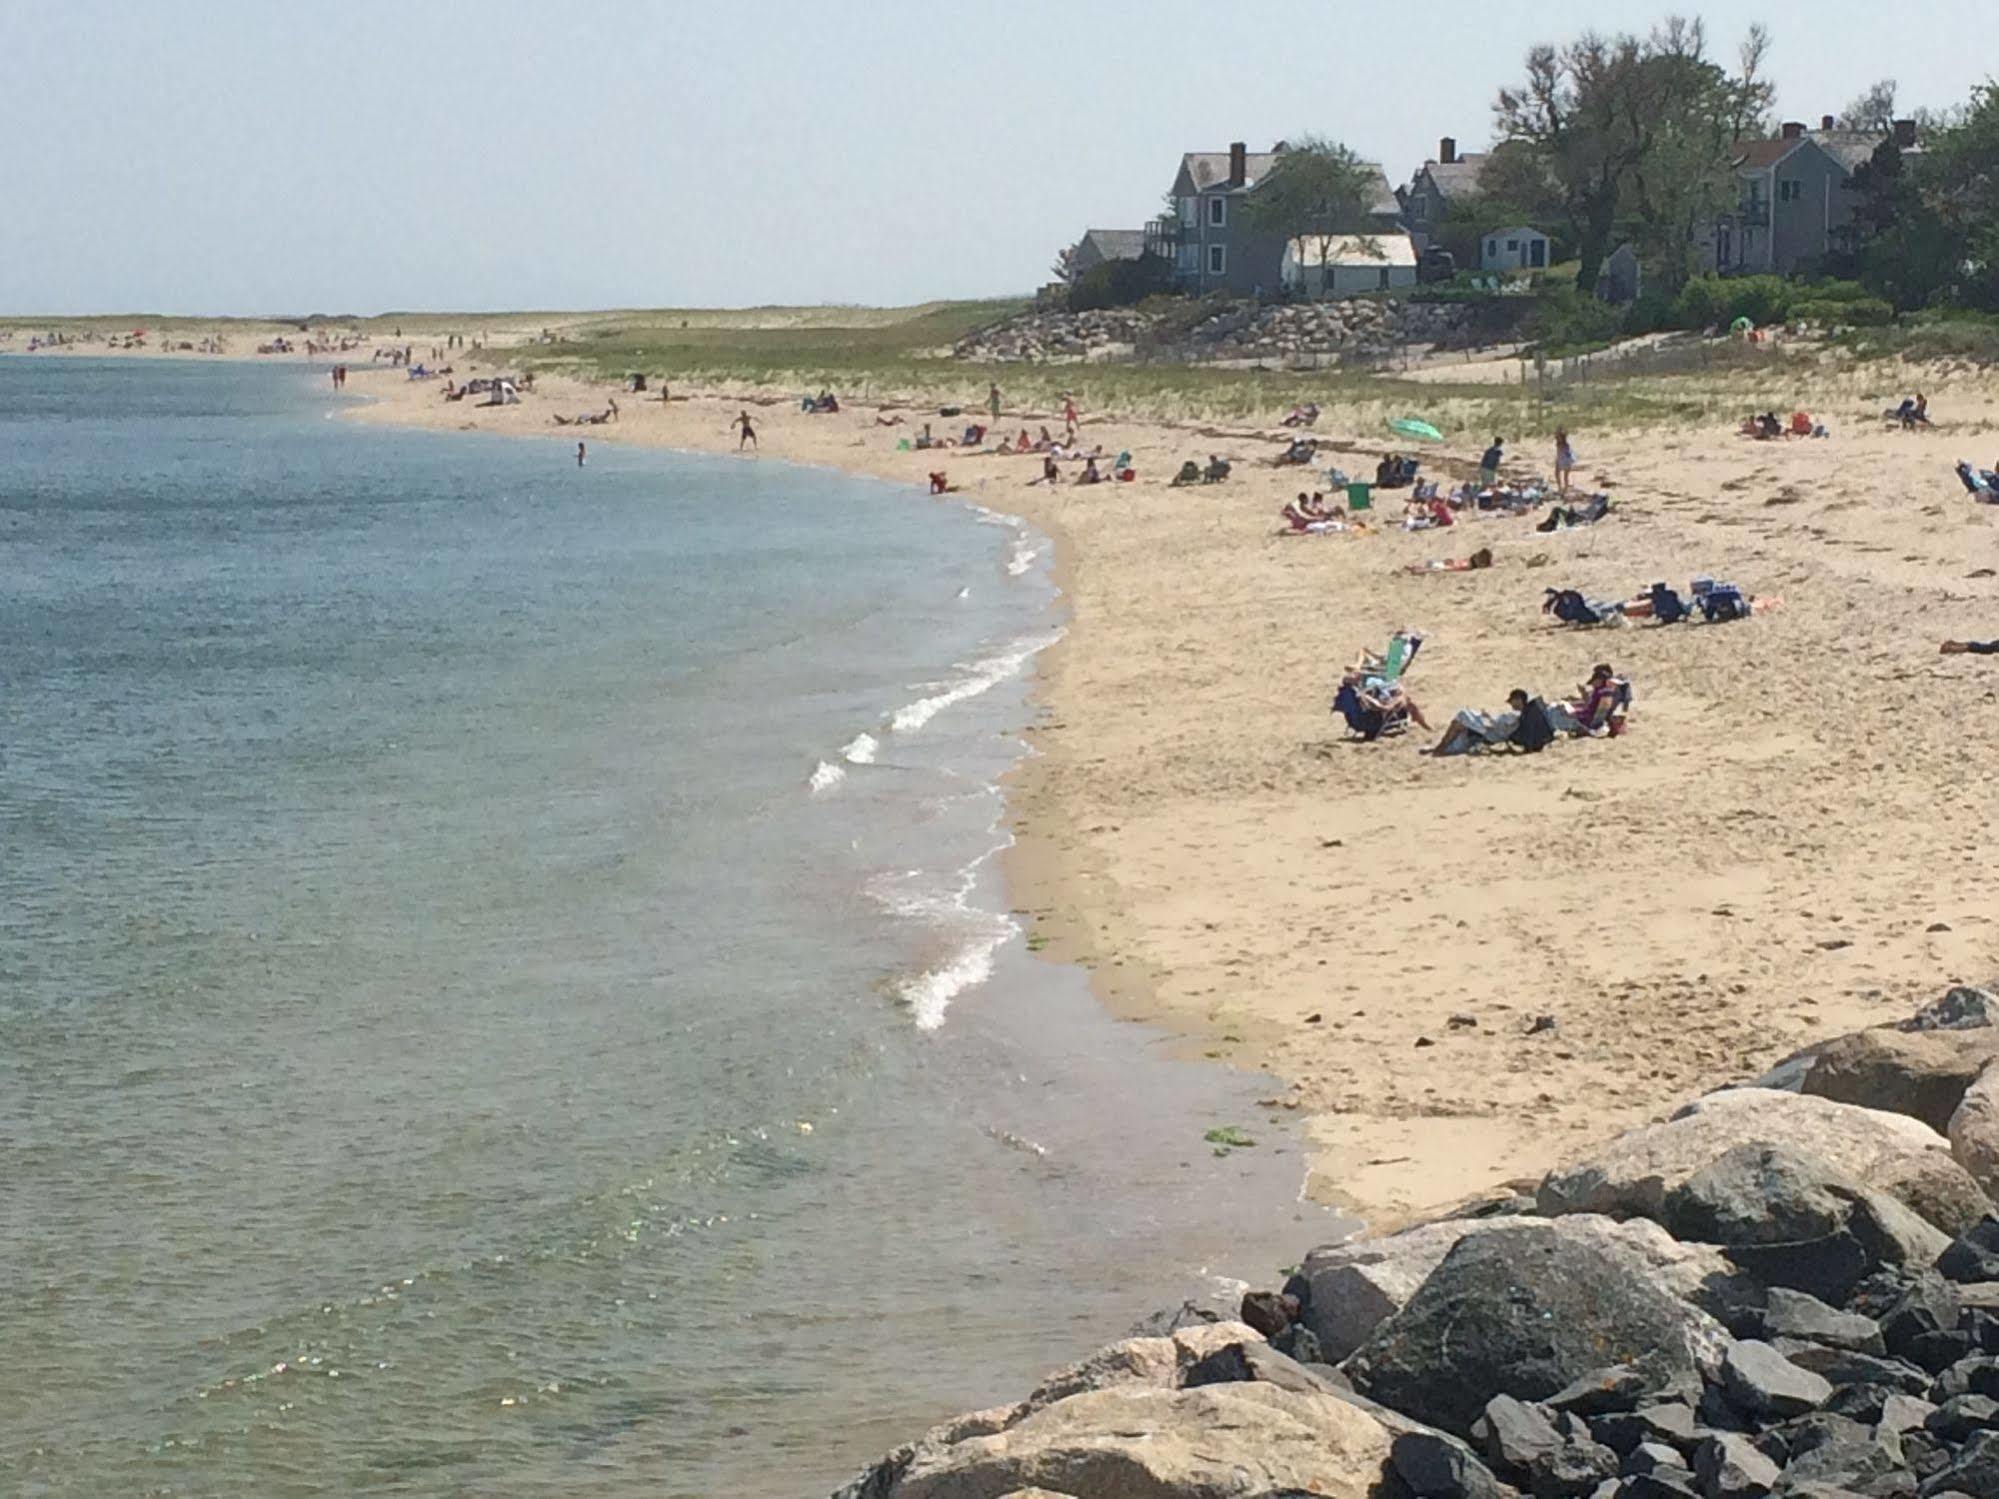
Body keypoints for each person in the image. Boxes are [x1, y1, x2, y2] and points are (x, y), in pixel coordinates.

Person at [1554, 429, 1575, 494]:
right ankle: (1560, 488)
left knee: (1565, 476)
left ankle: (1565, 489)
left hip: (1565, 461)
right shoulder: (1558, 444)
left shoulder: (1565, 445)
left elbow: (1567, 453)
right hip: (1560, 460)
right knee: (1557, 474)